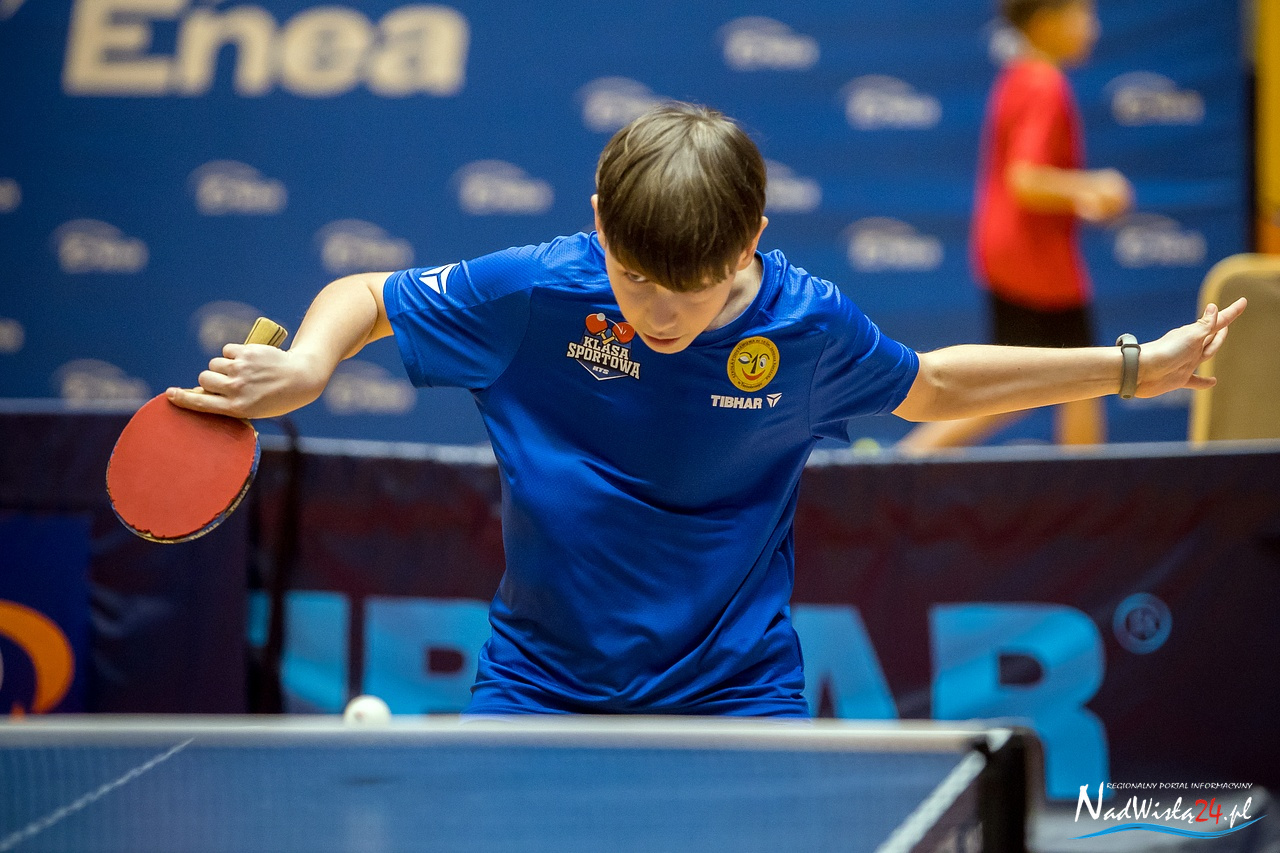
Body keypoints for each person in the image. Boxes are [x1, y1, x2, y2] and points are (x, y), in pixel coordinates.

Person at [168, 103, 1241, 717]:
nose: (659, 315)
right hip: (539, 687)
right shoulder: (535, 293)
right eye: (635, 282)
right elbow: (369, 297)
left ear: (751, 241)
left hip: (737, 693)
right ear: (599, 225)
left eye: (692, 291)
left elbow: (934, 383)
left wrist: (1128, 366)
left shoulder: (805, 326)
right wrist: (307, 363)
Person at [898, 0, 1134, 453]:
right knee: (1086, 379)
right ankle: (902, 462)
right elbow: (1026, 179)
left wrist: (1078, 199)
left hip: (1014, 251)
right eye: (1082, 15)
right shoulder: (1044, 82)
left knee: (1028, 387)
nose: (1093, 27)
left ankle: (900, 462)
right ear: (1046, 23)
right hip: (1035, 259)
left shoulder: (1021, 75)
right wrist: (1095, 185)